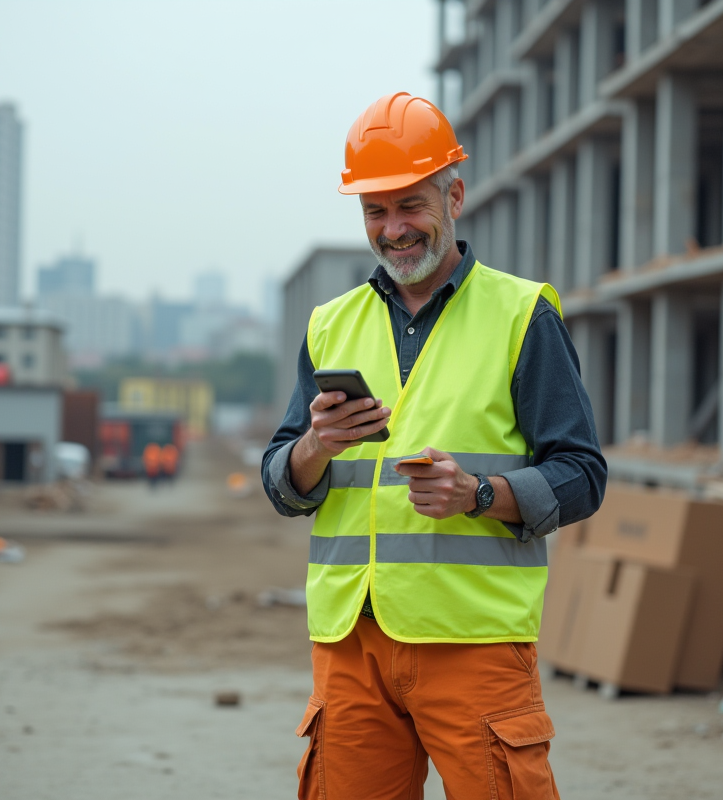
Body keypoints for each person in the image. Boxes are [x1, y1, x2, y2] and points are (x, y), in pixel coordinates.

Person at [261, 92, 608, 799]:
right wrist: (314, 448)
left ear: (454, 195)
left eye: (410, 205)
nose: (393, 229)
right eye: (374, 211)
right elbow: (280, 479)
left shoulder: (521, 315)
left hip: (473, 642)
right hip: (350, 644)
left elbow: (583, 474)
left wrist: (481, 495)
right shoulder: (330, 325)